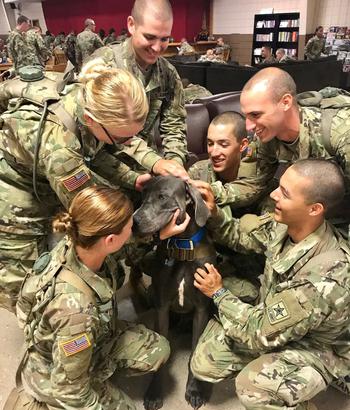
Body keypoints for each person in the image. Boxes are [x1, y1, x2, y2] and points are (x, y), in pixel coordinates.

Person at [0, 185, 171, 410]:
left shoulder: (78, 241)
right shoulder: (77, 313)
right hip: (56, 377)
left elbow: (124, 246)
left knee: (156, 349)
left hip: (76, 343)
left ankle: (95, 381)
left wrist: (159, 234)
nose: (136, 226)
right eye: (131, 225)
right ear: (111, 240)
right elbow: (70, 386)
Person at [190, 159, 350, 410]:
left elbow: (257, 333)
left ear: (315, 209)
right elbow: (241, 234)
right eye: (279, 186)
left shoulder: (323, 278)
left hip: (317, 348)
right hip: (275, 320)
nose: (274, 195)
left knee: (252, 386)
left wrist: (219, 293)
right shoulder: (286, 226)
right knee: (204, 363)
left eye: (286, 193)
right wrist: (214, 215)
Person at [0, 58, 180, 312]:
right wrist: (152, 233)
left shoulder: (89, 98)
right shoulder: (59, 147)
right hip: (15, 195)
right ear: (90, 119)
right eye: (121, 137)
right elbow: (95, 218)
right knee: (27, 289)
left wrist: (132, 178)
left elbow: (94, 152)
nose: (127, 143)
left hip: (48, 173)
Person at [206, 67, 350, 218]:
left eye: (256, 115)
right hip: (315, 213)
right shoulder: (265, 138)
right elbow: (253, 185)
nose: (248, 126)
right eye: (246, 116)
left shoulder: (340, 132)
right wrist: (208, 192)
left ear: (286, 102)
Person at [89, 0, 188, 176]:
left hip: (146, 170)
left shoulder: (167, 73)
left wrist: (175, 162)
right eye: (149, 37)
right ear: (131, 25)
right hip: (106, 172)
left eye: (165, 39)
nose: (157, 48)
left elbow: (174, 124)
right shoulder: (102, 66)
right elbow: (93, 135)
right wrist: (154, 162)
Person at [189, 111, 262, 303]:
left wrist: (215, 215)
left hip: (240, 262)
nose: (214, 152)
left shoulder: (259, 182)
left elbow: (256, 244)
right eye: (210, 143)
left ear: (243, 146)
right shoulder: (198, 172)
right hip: (201, 253)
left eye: (223, 144)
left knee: (248, 294)